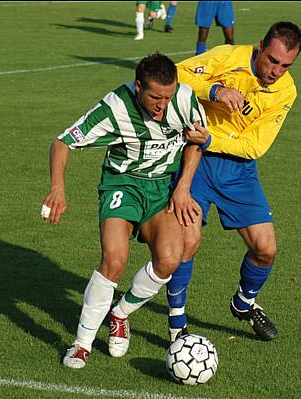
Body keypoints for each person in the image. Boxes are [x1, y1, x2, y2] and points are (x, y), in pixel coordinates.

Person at [42, 53, 206, 368]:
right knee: (114, 260)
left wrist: (183, 186)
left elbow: (197, 142)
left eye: (167, 97)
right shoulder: (115, 108)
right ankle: (81, 344)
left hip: (160, 189)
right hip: (122, 185)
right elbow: (62, 143)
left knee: (170, 259)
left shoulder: (184, 99)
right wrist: (58, 188)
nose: (162, 105)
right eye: (155, 97)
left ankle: (120, 313)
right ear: (138, 86)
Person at [166, 22, 301, 342]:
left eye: (285, 66)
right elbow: (174, 74)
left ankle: (244, 303)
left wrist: (212, 137)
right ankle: (177, 324)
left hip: (238, 171)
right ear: (260, 46)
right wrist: (214, 90)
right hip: (196, 160)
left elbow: (255, 146)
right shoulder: (228, 56)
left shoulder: (286, 91)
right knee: (187, 243)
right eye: (272, 60)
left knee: (266, 249)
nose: (276, 71)